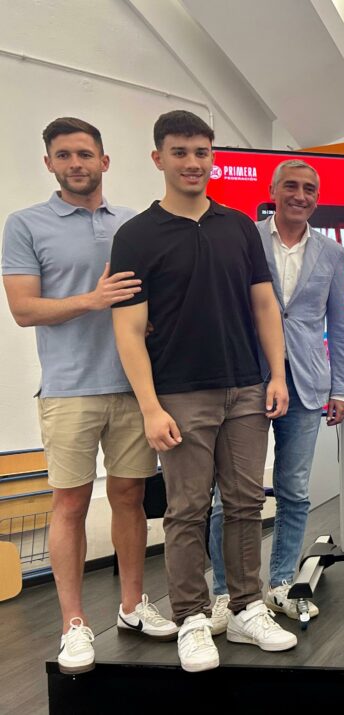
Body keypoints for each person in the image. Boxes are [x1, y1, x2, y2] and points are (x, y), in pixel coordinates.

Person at [110, 110, 295, 673]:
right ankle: (191, 617)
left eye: (201, 152)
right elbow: (128, 329)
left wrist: (277, 374)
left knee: (244, 504)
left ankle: (245, 607)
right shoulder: (136, 236)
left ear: (212, 157)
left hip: (246, 388)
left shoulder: (239, 228)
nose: (193, 163)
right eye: (180, 152)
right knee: (187, 509)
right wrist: (150, 407)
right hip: (180, 395)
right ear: (158, 158)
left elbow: (264, 305)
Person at [2, 117, 176, 675]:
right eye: (64, 155)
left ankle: (132, 606)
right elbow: (24, 309)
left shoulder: (132, 223)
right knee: (71, 505)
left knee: (130, 498)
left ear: (104, 161)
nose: (75, 163)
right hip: (69, 391)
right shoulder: (25, 225)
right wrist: (92, 300)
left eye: (84, 154)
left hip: (134, 388)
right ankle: (73, 625)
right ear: (49, 163)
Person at [208, 159, 344, 631]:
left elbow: (340, 325)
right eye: (290, 186)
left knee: (294, 490)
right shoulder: (244, 238)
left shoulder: (331, 252)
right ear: (272, 190)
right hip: (246, 379)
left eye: (309, 189)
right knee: (230, 496)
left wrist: (342, 388)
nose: (300, 195)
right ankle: (225, 592)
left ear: (317, 198)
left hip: (307, 384)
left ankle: (282, 583)